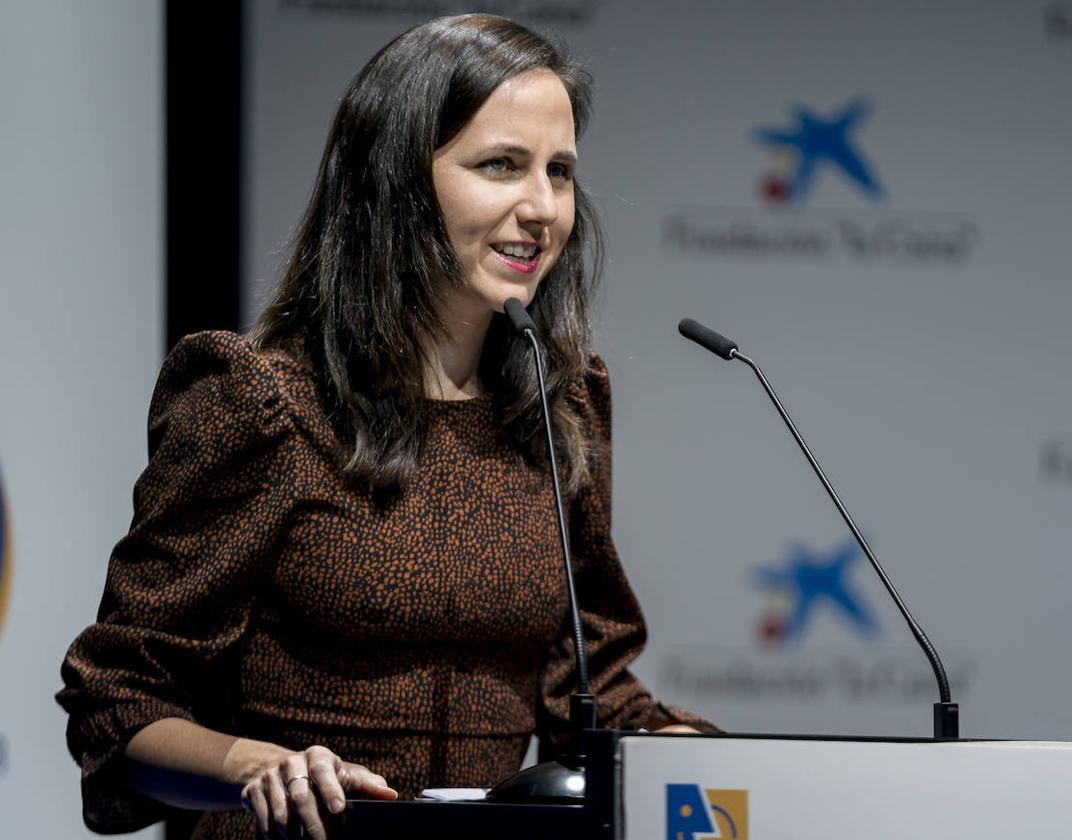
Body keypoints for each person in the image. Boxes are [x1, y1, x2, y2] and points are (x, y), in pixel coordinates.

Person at [57, 13, 712, 840]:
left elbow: (587, 688)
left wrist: (715, 761)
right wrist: (257, 766)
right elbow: (119, 699)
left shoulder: (562, 404)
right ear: (395, 180)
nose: (542, 207)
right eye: (501, 166)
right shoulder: (259, 398)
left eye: (560, 171)